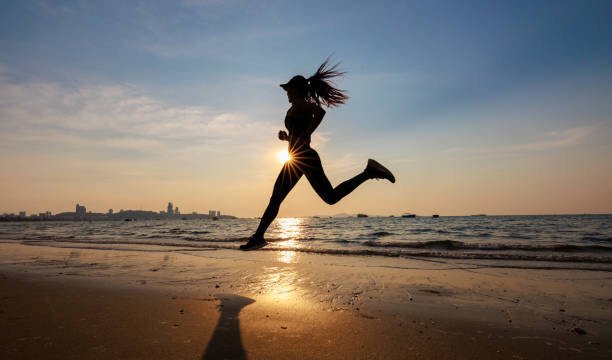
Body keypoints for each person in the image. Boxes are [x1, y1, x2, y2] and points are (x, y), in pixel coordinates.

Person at [240, 60, 395, 250]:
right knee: (324, 197)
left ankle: (369, 172)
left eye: (288, 89)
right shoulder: (295, 106)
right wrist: (288, 138)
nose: (286, 92)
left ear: (296, 89)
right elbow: (301, 134)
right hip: (299, 157)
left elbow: (320, 112)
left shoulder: (299, 104)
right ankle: (258, 237)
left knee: (285, 198)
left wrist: (309, 131)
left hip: (303, 157)